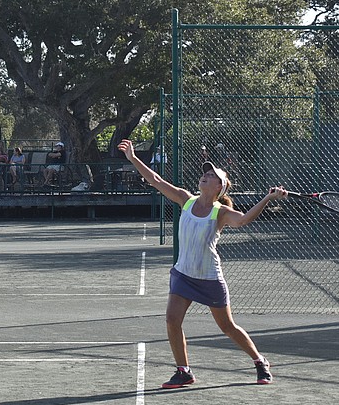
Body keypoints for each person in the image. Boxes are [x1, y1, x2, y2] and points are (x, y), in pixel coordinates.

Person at [118, 138, 288, 388]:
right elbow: (155, 180)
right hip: (183, 274)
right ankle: (183, 371)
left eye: (211, 175)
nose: (205, 176)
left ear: (220, 187)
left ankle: (259, 361)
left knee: (227, 327)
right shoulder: (185, 199)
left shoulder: (221, 213)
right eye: (205, 174)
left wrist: (267, 199)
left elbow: (243, 220)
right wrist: (133, 158)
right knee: (172, 320)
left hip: (209, 277)